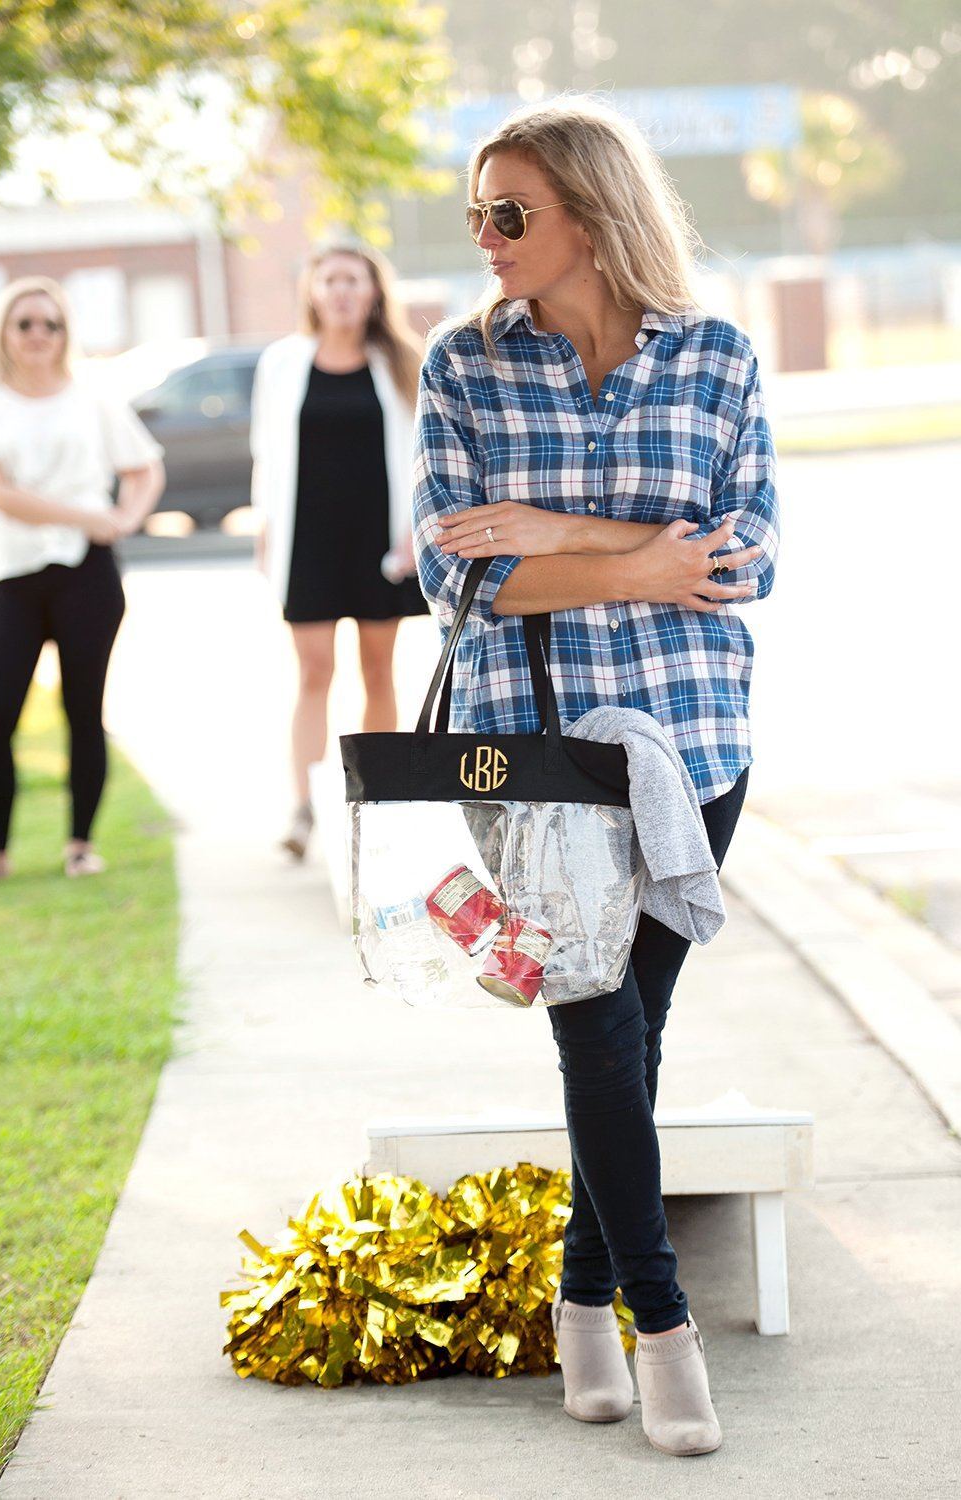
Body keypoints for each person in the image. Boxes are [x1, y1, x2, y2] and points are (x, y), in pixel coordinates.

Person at [413, 98, 779, 1457]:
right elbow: (464, 577)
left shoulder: (720, 356)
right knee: (594, 1027)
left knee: (634, 1039)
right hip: (534, 747)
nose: (488, 237)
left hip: (696, 742)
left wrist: (560, 533)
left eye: (512, 212)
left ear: (593, 212)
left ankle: (580, 1301)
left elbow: (746, 557)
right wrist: (641, 560)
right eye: (477, 215)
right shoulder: (464, 366)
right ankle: (663, 1329)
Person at [0, 276, 165, 880]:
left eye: (50, 324)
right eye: (24, 323)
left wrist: (125, 517)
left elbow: (145, 467)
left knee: (84, 708)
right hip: (16, 573)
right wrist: (90, 516)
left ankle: (80, 844)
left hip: (87, 577)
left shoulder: (91, 397)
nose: (38, 335)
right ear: (4, 330)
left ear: (64, 333)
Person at [249, 242, 429, 861]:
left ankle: (377, 799)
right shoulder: (282, 363)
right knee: (313, 670)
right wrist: (266, 530)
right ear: (313, 290)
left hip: (380, 537)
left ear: (375, 292)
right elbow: (266, 453)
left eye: (355, 280)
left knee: (378, 669)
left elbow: (423, 456)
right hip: (309, 539)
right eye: (331, 279)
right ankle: (303, 808)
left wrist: (414, 530)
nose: (343, 291)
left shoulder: (400, 361)